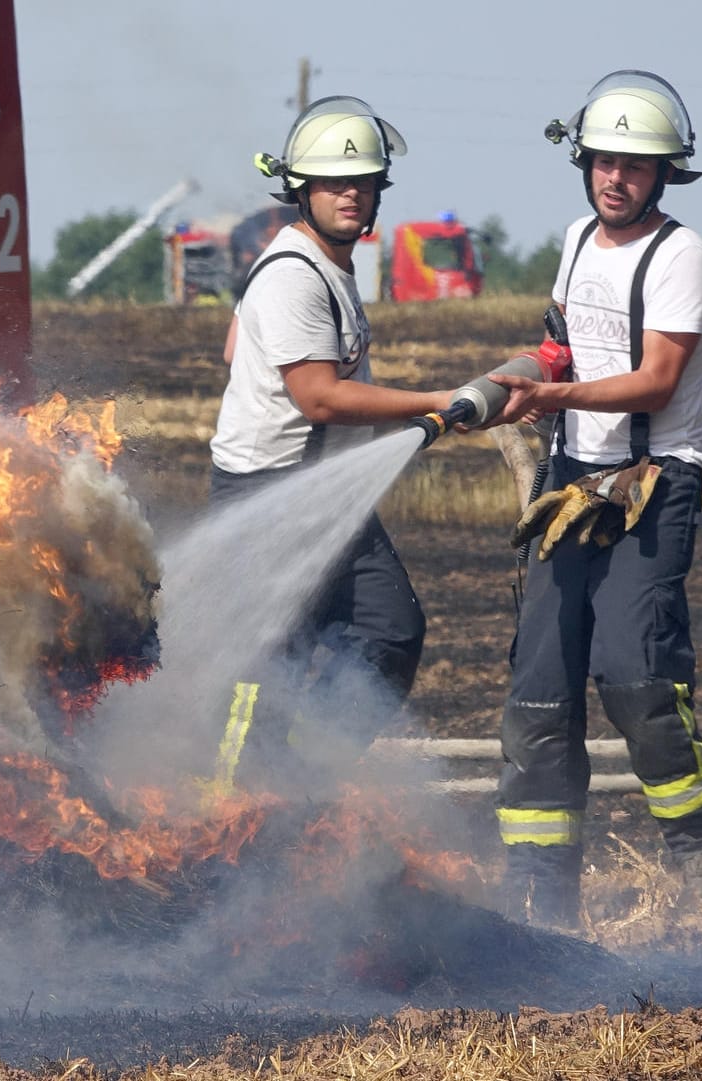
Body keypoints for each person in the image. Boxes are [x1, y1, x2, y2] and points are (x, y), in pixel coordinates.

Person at [488, 70, 702, 927]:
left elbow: (656, 382)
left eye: (634, 165)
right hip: (571, 486)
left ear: (665, 173)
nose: (615, 178)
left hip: (652, 485)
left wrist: (551, 398)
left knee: (635, 676)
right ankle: (538, 897)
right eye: (602, 161)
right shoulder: (573, 241)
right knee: (540, 693)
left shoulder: (683, 256)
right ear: (584, 162)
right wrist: (510, 381)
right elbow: (560, 348)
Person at [206, 97, 465, 791]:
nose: (351, 193)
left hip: (322, 494)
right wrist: (439, 400)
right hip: (271, 497)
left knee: (390, 629)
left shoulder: (318, 265)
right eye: (333, 181)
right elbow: (319, 395)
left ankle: (296, 783)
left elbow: (234, 346)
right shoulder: (295, 273)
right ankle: (226, 820)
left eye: (364, 181)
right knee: (265, 673)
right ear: (301, 190)